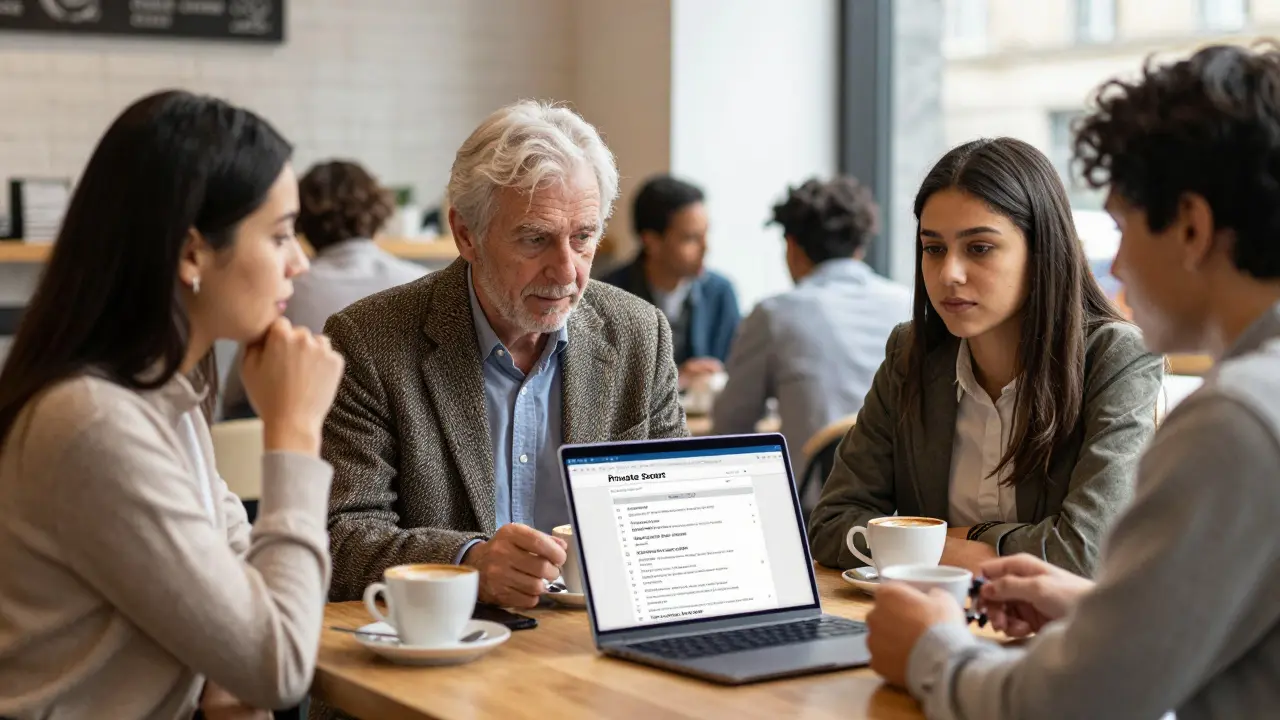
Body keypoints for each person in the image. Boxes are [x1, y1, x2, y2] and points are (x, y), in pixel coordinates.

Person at [865, 44, 1280, 720]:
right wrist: (1098, 608)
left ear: (1193, 228)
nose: (1112, 270)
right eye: (932, 249)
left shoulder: (1235, 420)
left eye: (1120, 227)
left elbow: (1072, 704)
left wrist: (928, 649)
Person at [0, 91, 343, 718]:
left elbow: (247, 604)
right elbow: (280, 665)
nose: (300, 262)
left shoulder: (166, 398)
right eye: (280, 236)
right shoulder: (93, 423)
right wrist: (293, 431)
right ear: (191, 253)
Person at [322, 101, 688, 608]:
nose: (566, 272)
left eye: (583, 239)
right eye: (535, 240)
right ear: (466, 234)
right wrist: (467, 562)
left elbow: (675, 512)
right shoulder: (370, 340)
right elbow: (339, 538)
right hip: (447, 651)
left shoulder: (637, 334)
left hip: (594, 644)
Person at [808, 137, 1163, 577]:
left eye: (979, 248)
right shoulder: (910, 353)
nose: (949, 274)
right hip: (933, 622)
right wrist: (971, 550)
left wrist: (969, 537)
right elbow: (831, 525)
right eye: (933, 248)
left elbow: (1084, 552)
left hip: (1053, 635)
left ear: (1041, 252)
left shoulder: (1117, 356)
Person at [711, 176, 911, 460]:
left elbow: (730, 426)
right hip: (903, 501)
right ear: (860, 247)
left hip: (814, 502)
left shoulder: (774, 315)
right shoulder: (908, 304)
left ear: (791, 246)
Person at [221, 160, 425, 420]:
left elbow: (235, 398)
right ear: (377, 210)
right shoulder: (421, 282)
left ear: (302, 220)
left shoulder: (282, 292)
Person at [601, 174, 741, 388]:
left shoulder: (721, 293)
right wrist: (676, 381)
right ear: (652, 242)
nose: (706, 248)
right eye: (691, 238)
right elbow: (604, 389)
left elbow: (737, 376)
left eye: (705, 234)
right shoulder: (609, 298)